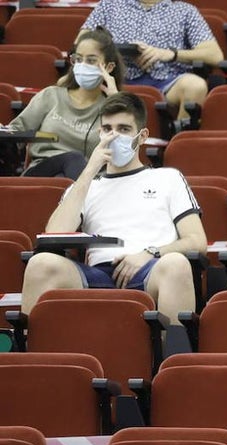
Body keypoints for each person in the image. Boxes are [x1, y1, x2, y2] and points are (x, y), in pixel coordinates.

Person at [20, 92, 200, 321]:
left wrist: (149, 253)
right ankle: (28, 352)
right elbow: (53, 235)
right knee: (40, 263)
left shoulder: (169, 178)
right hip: (97, 273)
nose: (114, 136)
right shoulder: (86, 185)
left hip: (150, 268)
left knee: (176, 264)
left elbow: (196, 240)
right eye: (107, 129)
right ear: (99, 134)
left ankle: (172, 354)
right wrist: (89, 171)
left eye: (124, 129)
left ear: (142, 136)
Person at [3, 28, 123, 179]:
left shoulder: (112, 108)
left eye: (91, 60)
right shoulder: (51, 96)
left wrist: (116, 100)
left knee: (70, 170)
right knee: (73, 158)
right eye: (78, 59)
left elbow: (124, 153)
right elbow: (14, 132)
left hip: (87, 177)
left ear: (109, 67)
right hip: (42, 174)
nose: (83, 65)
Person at [81, 0, 224, 119]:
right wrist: (123, 50)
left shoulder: (185, 11)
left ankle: (177, 142)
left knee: (195, 86)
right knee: (68, 81)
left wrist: (170, 54)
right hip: (115, 78)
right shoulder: (109, 5)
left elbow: (215, 55)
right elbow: (81, 42)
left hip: (167, 80)